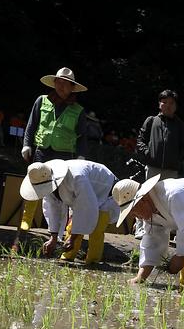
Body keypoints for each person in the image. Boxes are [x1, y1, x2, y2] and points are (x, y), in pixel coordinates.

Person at [11, 67, 89, 252]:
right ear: (54, 83)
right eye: (58, 82)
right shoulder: (41, 101)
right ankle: (26, 221)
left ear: (72, 87)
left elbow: (83, 137)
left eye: (65, 84)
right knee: (34, 184)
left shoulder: (78, 110)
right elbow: (31, 125)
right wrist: (26, 144)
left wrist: (81, 156)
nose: (61, 87)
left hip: (65, 155)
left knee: (61, 193)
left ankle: (60, 230)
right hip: (42, 150)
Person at [112, 176, 184, 286]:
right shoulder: (150, 212)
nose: (135, 216)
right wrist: (140, 277)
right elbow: (152, 242)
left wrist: (180, 256)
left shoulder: (174, 195)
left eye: (133, 211)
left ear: (143, 200)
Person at [20, 159, 118, 264]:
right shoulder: (44, 181)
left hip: (106, 192)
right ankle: (66, 258)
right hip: (85, 196)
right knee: (71, 229)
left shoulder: (77, 178)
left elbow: (85, 207)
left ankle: (93, 262)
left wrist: (72, 239)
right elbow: (53, 209)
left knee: (96, 230)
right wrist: (53, 239)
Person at [136, 89, 184, 180]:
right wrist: (148, 154)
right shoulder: (151, 121)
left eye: (171, 103)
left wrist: (176, 161)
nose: (168, 106)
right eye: (164, 102)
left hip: (171, 171)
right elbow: (140, 141)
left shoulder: (181, 126)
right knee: (149, 194)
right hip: (152, 168)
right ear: (159, 104)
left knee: (168, 194)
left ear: (176, 106)